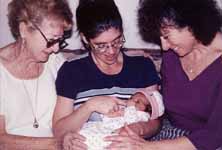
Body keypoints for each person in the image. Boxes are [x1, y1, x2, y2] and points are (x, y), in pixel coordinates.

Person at [105, 0, 222, 150]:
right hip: (168, 134)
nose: (164, 46)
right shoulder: (173, 53)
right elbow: (162, 104)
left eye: (166, 36)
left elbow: (214, 135)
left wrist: (146, 147)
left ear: (192, 24)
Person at [52, 0, 161, 149]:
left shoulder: (142, 65)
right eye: (101, 46)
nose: (111, 51)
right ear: (85, 39)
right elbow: (59, 131)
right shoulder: (72, 70)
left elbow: (155, 121)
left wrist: (137, 130)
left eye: (117, 41)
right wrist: (90, 106)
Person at [0, 0, 73, 149]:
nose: (56, 49)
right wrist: (56, 144)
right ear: (24, 30)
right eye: (51, 40)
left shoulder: (55, 62)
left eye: (60, 40)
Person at [78, 91, 164, 150]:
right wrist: (110, 115)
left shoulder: (143, 116)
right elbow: (109, 121)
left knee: (102, 141)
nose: (132, 101)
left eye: (138, 102)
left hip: (118, 134)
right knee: (85, 130)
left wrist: (130, 108)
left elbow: (131, 121)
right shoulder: (125, 109)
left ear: (148, 110)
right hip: (106, 127)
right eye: (131, 98)